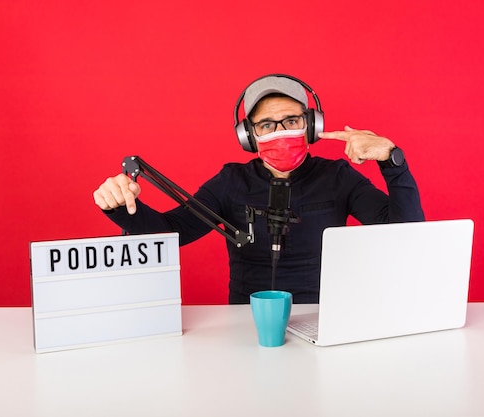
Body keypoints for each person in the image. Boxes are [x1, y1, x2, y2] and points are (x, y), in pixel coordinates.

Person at [93, 74, 425, 304]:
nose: (280, 132)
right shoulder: (230, 182)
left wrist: (391, 160)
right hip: (245, 318)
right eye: (267, 125)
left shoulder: (338, 176)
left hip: (323, 314)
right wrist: (119, 206)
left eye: (291, 121)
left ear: (311, 125)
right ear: (248, 135)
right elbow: (170, 232)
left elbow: (404, 233)